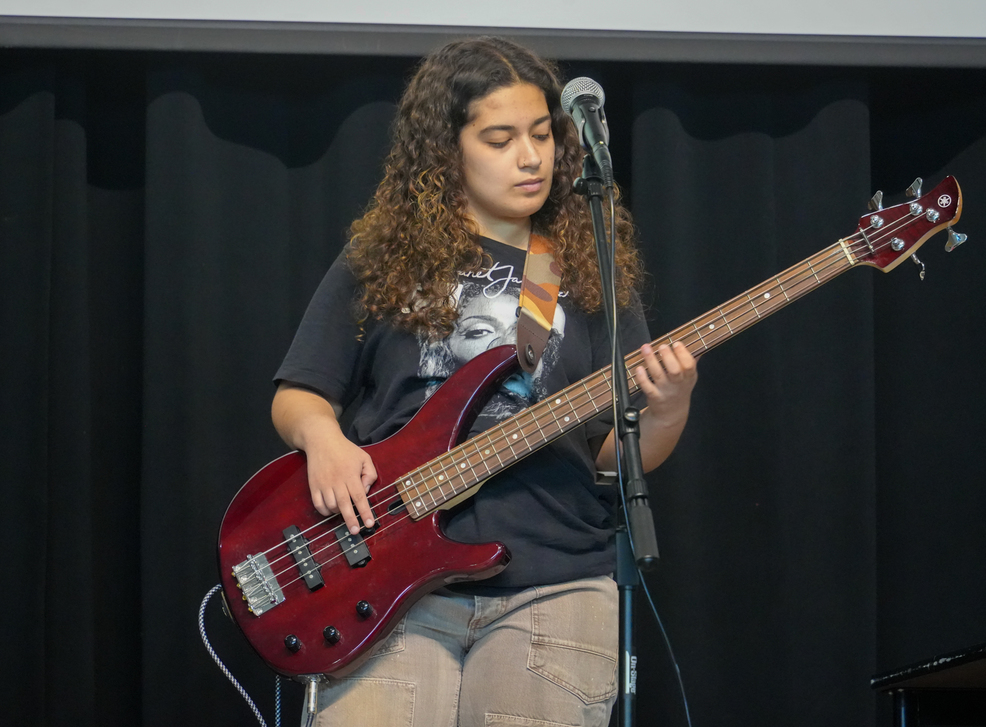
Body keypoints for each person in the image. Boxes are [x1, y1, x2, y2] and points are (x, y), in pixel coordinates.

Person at [271, 36, 697, 727]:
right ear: (447, 150)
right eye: (500, 138)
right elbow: (299, 391)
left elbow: (615, 456)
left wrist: (670, 406)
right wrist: (324, 438)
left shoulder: (588, 267)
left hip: (555, 581)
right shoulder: (383, 257)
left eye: (541, 134)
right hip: (388, 584)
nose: (531, 157)